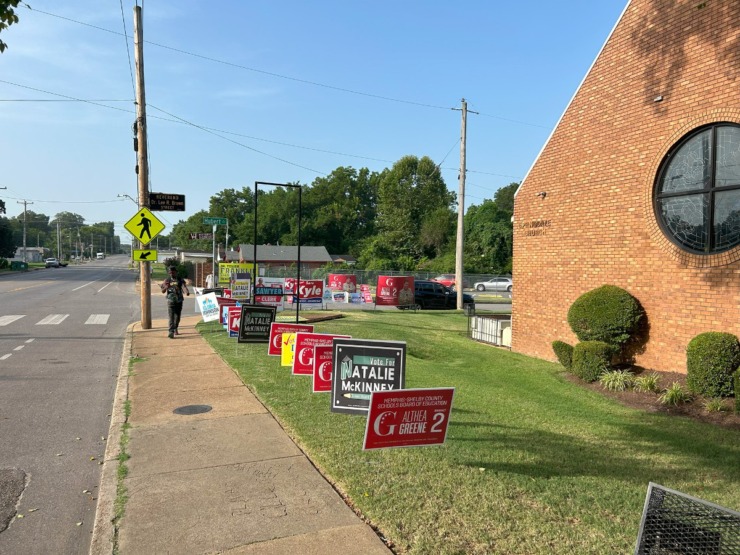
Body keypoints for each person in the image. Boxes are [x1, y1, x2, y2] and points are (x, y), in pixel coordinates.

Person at [161, 266, 190, 338]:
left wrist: (187, 292)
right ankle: (171, 331)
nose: (172, 274)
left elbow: (184, 286)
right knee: (171, 317)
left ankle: (175, 328)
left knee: (177, 317)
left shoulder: (180, 279)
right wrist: (166, 287)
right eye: (170, 272)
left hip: (179, 300)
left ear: (176, 272)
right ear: (168, 273)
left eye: (173, 272)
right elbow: (162, 291)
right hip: (170, 301)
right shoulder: (167, 280)